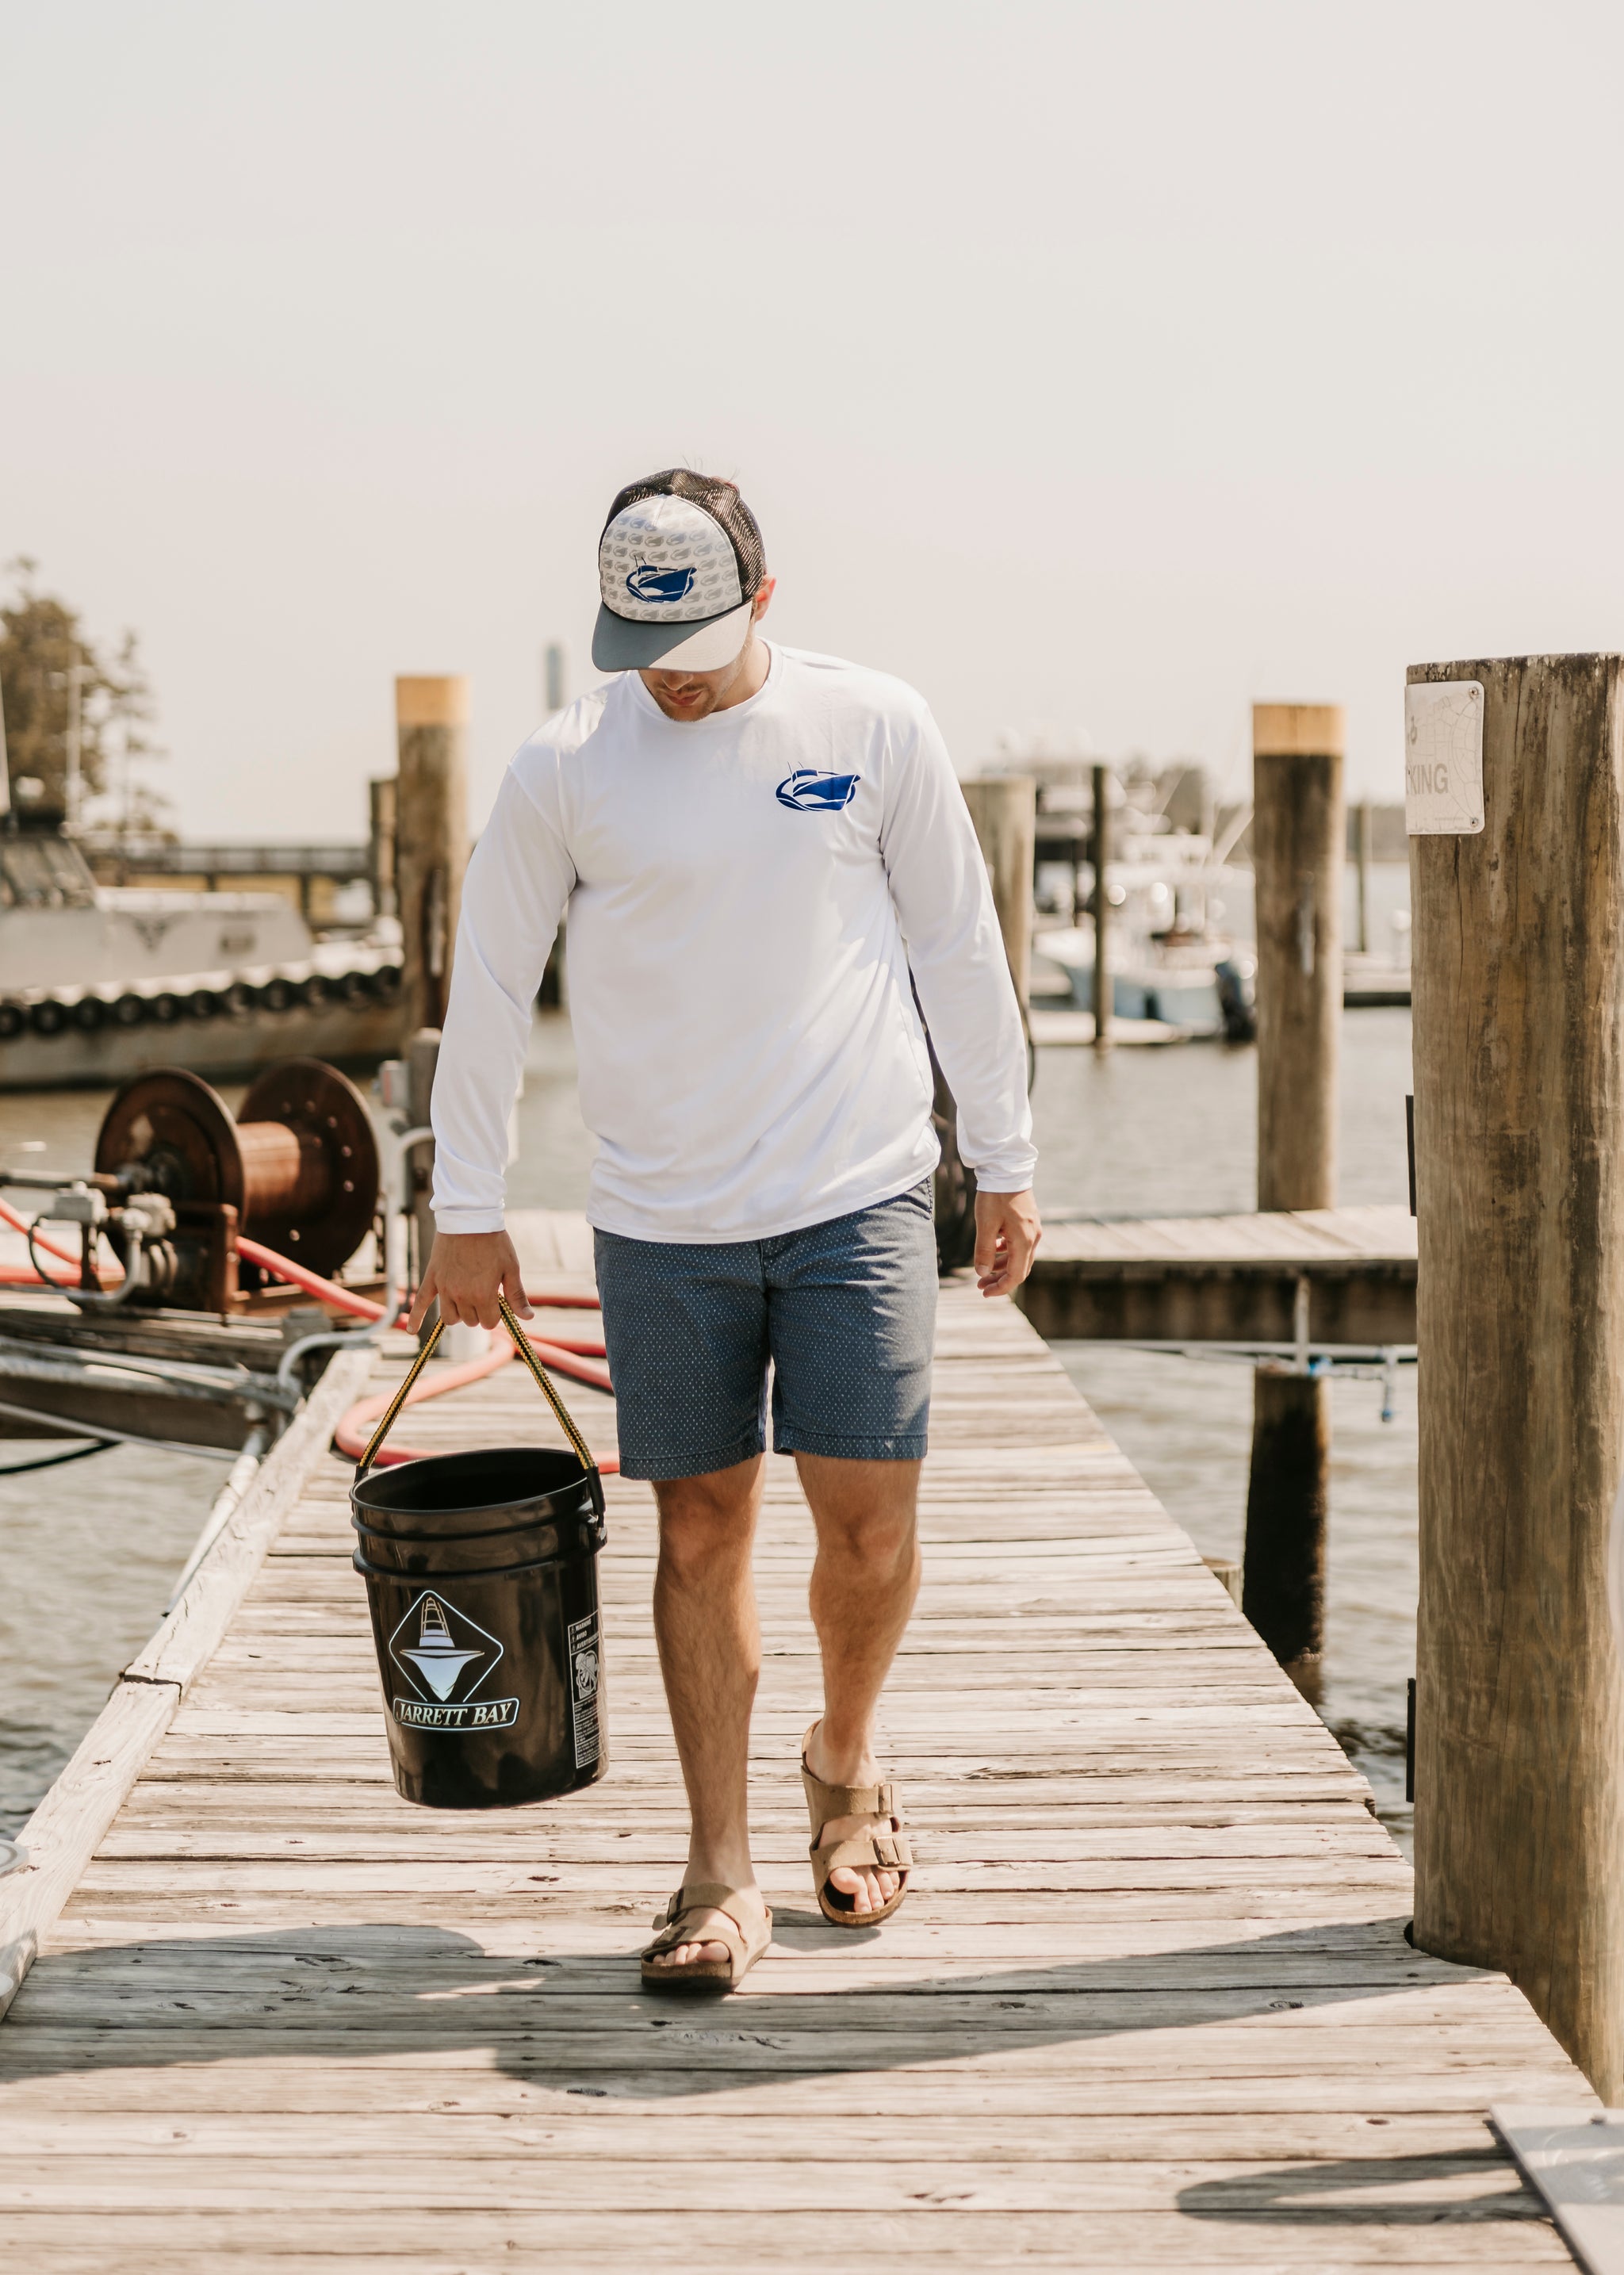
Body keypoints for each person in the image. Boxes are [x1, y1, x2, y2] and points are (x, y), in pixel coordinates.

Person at [410, 468, 1040, 1991]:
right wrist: (466, 1211)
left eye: (691, 640)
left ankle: (845, 1757)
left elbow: (958, 942)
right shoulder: (566, 764)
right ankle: (719, 1865)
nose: (668, 682)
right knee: (697, 1527)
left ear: (763, 599)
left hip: (860, 1189)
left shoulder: (872, 725)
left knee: (869, 1523)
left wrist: (1004, 1158)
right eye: (638, 644)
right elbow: (490, 986)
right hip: (661, 1217)